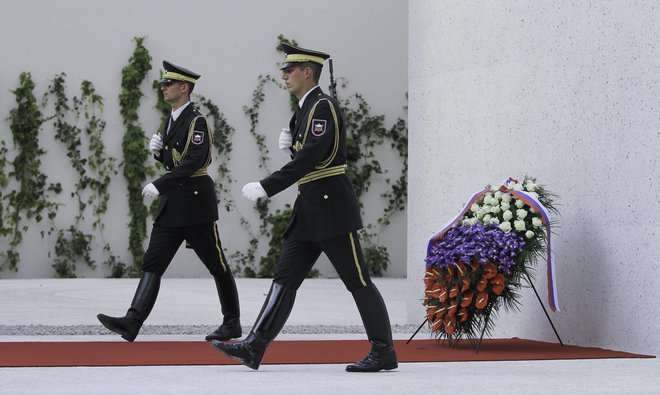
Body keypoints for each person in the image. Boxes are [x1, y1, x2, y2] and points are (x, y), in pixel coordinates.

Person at [210, 44, 397, 372]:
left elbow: (313, 157)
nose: (283, 74)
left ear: (307, 71)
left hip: (331, 207)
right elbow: (309, 156)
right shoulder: (305, 108)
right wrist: (293, 150)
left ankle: (383, 350)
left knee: (357, 280)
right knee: (284, 278)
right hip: (310, 207)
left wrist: (268, 186)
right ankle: (255, 346)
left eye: (289, 69)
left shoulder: (322, 106)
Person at [97, 61, 241, 343]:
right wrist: (159, 154)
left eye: (169, 84)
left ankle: (232, 322)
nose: (163, 87)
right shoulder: (173, 118)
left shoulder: (196, 120)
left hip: (195, 204)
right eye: (163, 83)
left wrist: (159, 183)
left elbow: (193, 161)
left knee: (217, 264)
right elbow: (175, 158)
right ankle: (133, 321)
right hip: (173, 203)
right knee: (153, 262)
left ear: (184, 88)